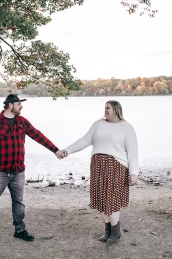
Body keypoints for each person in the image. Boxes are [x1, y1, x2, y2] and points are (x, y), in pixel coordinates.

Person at [0, 93, 63, 244]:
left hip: (18, 171)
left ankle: (20, 230)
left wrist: (55, 150)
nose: (21, 107)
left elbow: (38, 136)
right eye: (19, 104)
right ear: (10, 105)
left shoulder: (22, 121)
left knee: (19, 202)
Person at [57, 100, 138, 244]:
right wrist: (67, 150)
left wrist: (134, 173)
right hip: (98, 167)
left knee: (112, 200)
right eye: (105, 108)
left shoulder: (126, 127)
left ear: (116, 110)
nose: (105, 110)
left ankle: (116, 233)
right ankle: (107, 232)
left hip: (116, 167)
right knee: (102, 200)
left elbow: (133, 151)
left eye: (108, 108)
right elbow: (84, 140)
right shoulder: (98, 124)